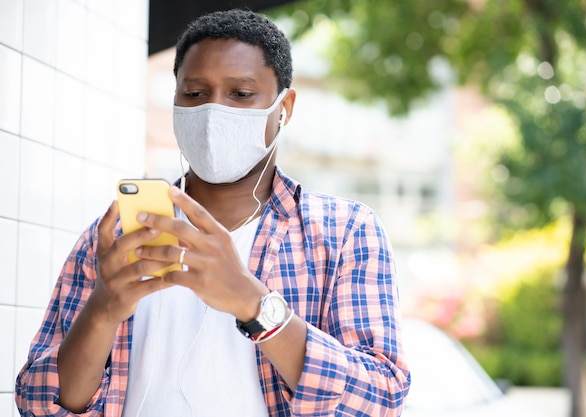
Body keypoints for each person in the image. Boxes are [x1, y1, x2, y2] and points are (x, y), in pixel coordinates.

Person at [15, 9, 411, 416]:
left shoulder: (343, 232)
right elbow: (36, 405)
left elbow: (380, 400)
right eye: (194, 93)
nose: (212, 112)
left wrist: (255, 306)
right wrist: (101, 310)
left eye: (240, 94)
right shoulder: (117, 238)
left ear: (284, 107)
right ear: (174, 100)